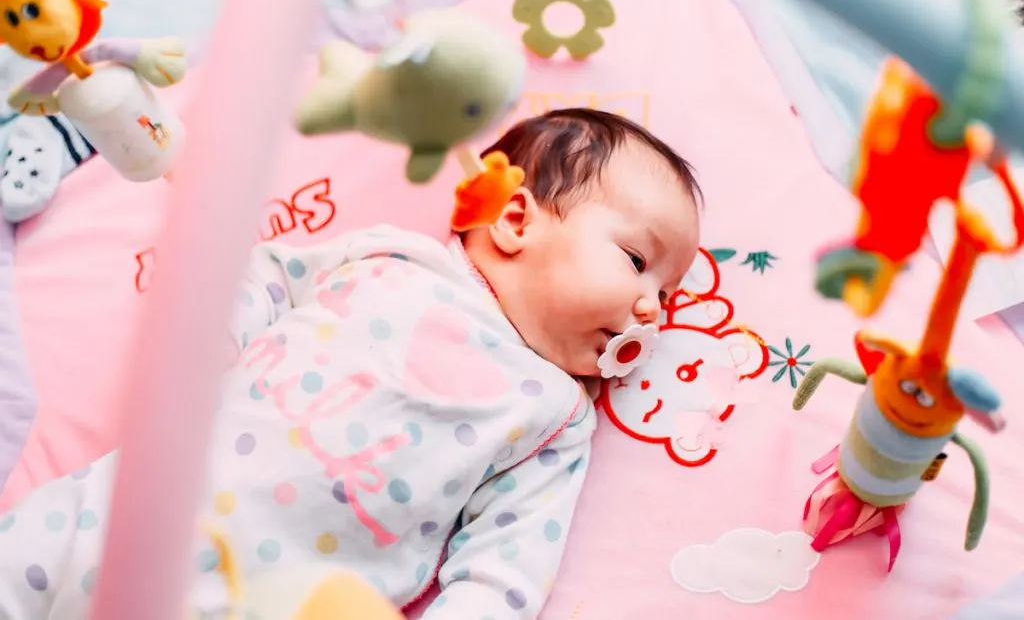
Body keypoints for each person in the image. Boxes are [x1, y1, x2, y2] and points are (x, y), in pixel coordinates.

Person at [0, 108, 701, 619]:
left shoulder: (552, 414)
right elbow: (266, 275)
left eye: (667, 294)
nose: (653, 310)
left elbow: (505, 571)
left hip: (265, 597)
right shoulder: (390, 257)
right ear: (516, 221)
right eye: (638, 262)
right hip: (111, 515)